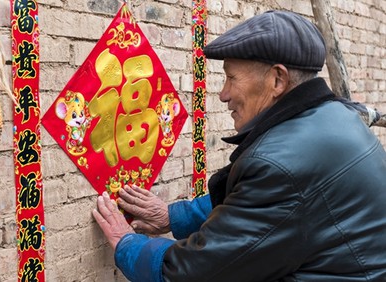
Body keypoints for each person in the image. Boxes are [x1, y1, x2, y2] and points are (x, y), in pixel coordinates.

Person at [92, 10, 386, 282]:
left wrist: (126, 244)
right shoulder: (338, 116)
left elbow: (191, 273)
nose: (223, 94)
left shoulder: (279, 167)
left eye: (231, 78)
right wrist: (172, 217)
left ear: (277, 80)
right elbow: (264, 207)